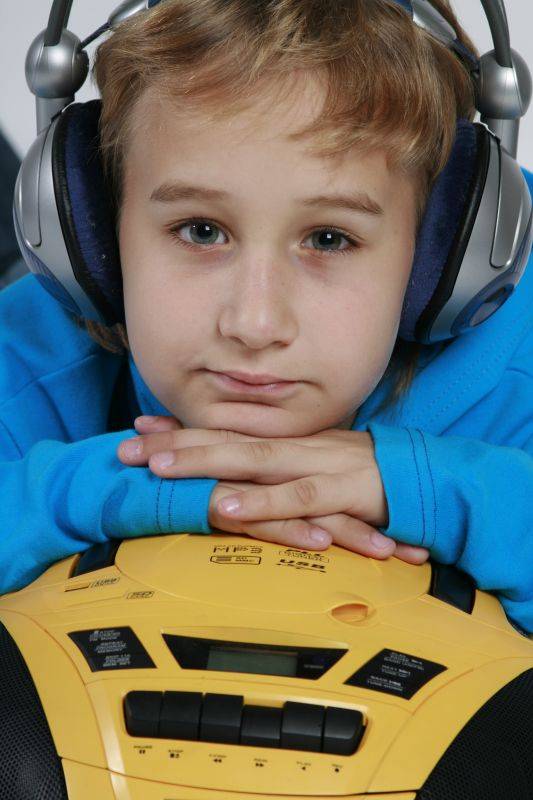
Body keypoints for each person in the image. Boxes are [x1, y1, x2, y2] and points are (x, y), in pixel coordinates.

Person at [0, 0, 531, 636]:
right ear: (89, 236)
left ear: (446, 258)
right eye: (201, 230)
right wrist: (111, 487)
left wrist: (447, 491)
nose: (254, 325)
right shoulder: (30, 355)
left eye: (329, 239)